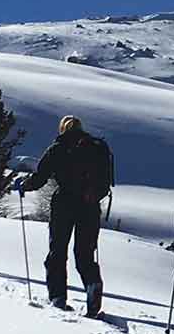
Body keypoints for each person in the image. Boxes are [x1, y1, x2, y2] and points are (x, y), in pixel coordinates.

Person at [17, 115, 115, 316]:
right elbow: (107, 181)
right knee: (85, 253)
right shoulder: (97, 147)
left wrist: (24, 185)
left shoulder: (58, 147)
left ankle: (58, 296)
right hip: (90, 206)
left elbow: (40, 177)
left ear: (62, 129)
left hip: (64, 203)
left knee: (58, 251)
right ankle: (92, 285)